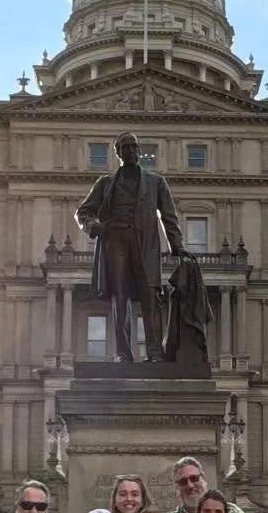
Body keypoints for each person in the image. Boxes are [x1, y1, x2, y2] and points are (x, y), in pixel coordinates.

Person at [74, 131, 189, 363]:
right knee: (121, 297)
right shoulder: (105, 183)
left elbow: (169, 216)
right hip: (114, 243)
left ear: (139, 151)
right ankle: (123, 353)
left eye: (134, 147)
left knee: (151, 296)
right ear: (118, 153)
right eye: (125, 147)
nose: (130, 151)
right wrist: (92, 225)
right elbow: (82, 212)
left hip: (145, 244)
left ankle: (155, 351)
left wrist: (177, 245)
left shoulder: (156, 182)